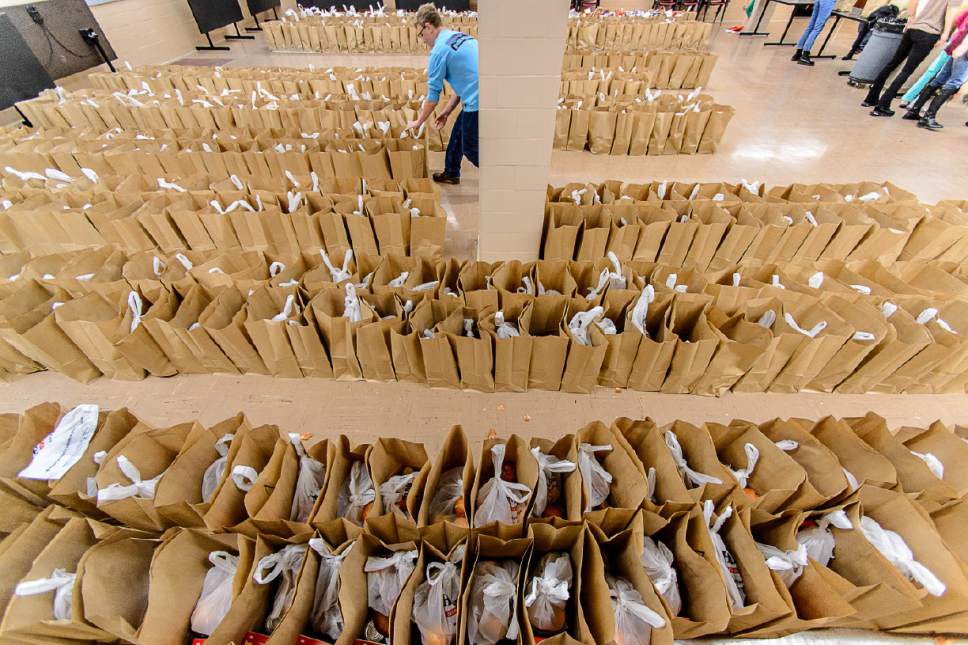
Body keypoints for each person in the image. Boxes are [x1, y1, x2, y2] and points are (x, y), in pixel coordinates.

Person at [406, 3, 479, 186]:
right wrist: (447, 111)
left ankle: (503, 175)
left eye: (421, 34)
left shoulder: (438, 51)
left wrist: (418, 121)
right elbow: (465, 82)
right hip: (481, 93)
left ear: (428, 27)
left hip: (478, 101)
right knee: (457, 135)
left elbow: (432, 97)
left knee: (470, 148)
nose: (422, 40)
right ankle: (451, 172)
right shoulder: (458, 36)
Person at [864, 0, 952, 116]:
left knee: (892, 64)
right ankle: (883, 105)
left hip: (913, 28)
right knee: (906, 71)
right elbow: (951, 12)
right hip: (929, 34)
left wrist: (911, 16)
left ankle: (870, 98)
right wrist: (946, 33)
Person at [903, 6, 968, 128]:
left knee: (941, 78)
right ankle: (929, 116)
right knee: (954, 82)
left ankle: (914, 110)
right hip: (963, 50)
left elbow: (959, 20)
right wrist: (961, 48)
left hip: (956, 46)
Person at [792, 0, 838, 66]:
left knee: (810, 27)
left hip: (818, 1)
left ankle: (798, 53)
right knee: (817, 28)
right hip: (827, 2)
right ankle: (805, 55)